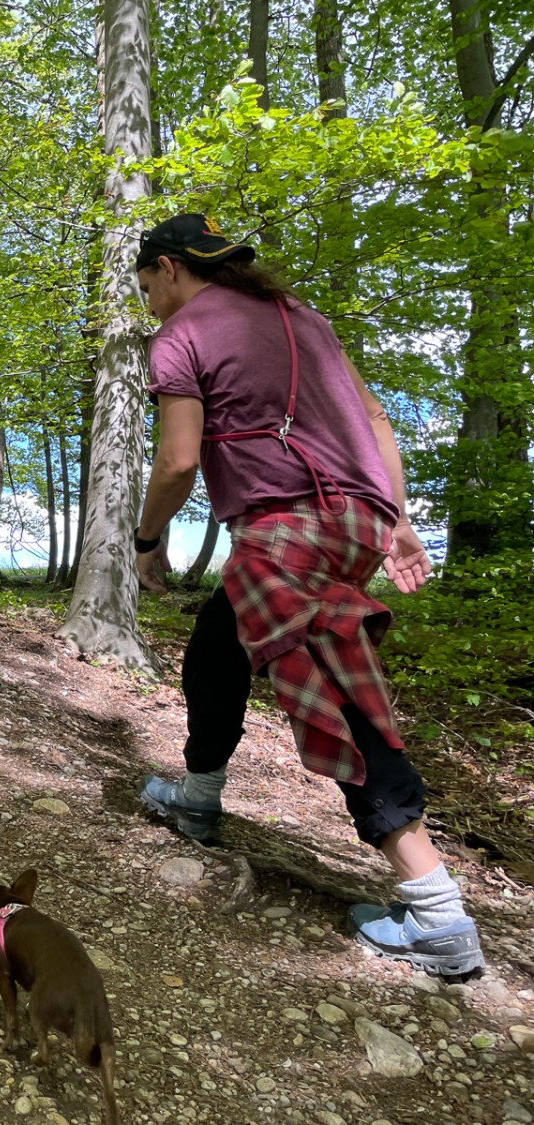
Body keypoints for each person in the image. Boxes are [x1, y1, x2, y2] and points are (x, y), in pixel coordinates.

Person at [130, 213, 482, 976]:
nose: (150, 302)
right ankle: (197, 796)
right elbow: (376, 420)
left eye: (147, 286)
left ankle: (438, 914)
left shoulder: (182, 335)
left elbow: (178, 461)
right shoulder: (302, 318)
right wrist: (401, 523)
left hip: (287, 530)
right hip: (355, 521)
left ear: (168, 268)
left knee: (340, 697)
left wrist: (147, 541)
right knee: (217, 650)